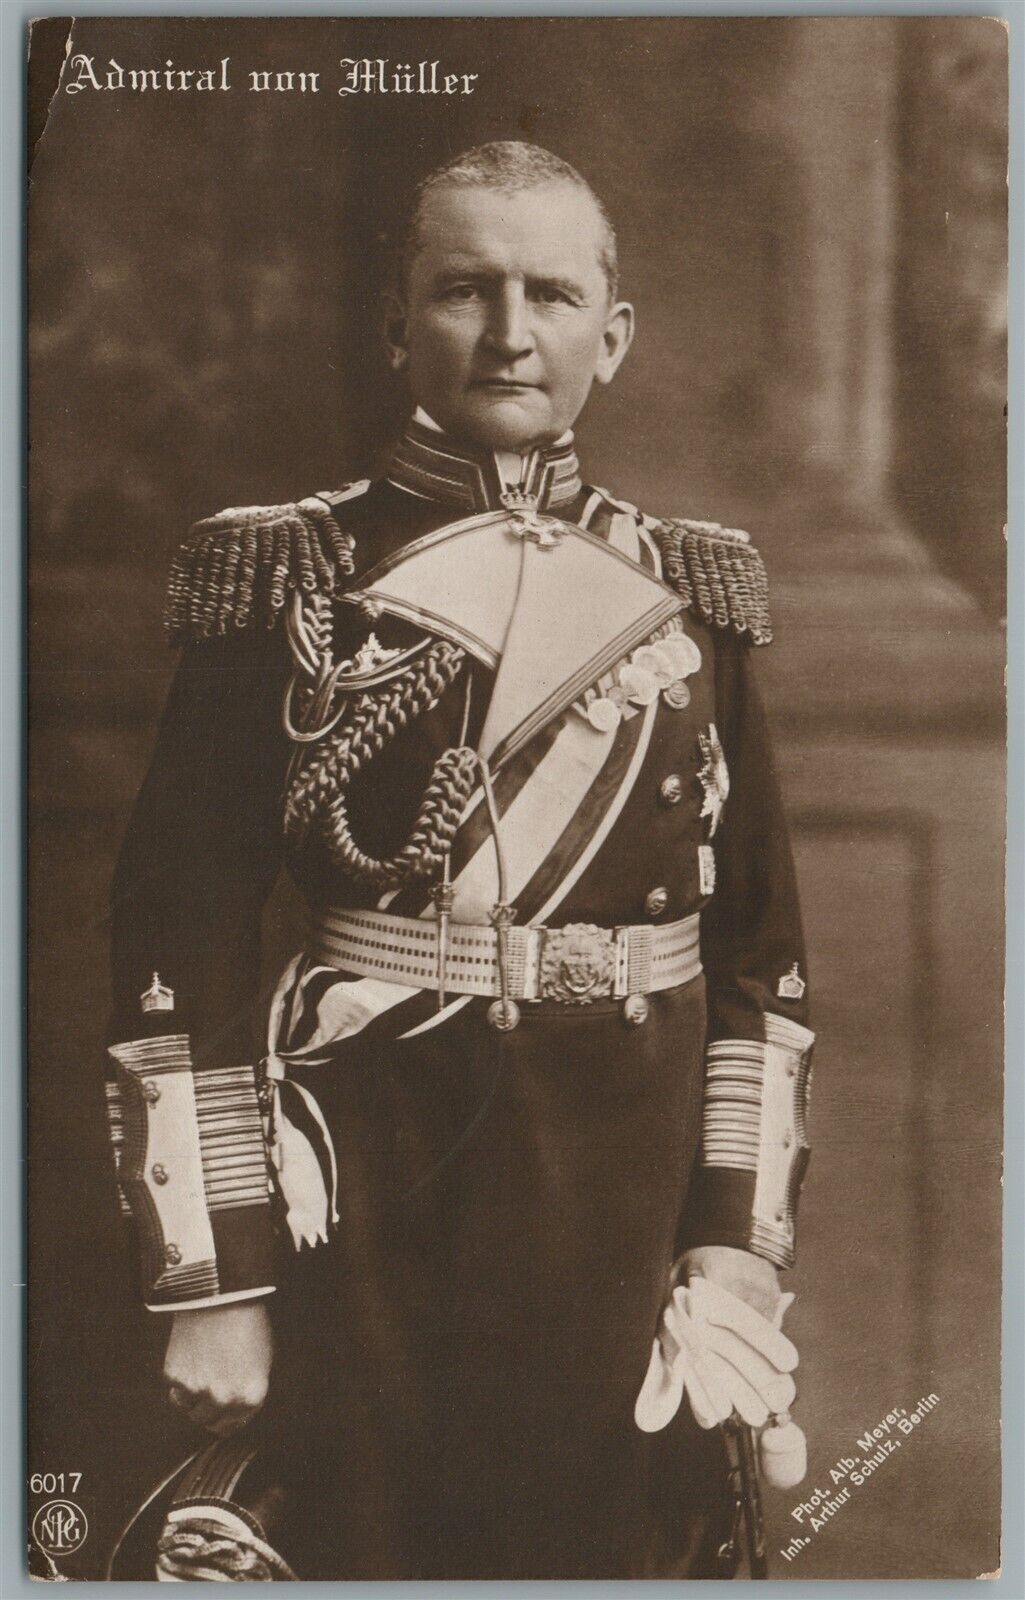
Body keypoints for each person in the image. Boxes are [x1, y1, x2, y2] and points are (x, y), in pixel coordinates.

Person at [103, 141, 815, 1581]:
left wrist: (738, 1240)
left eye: (550, 295)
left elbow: (764, 962)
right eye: (462, 291)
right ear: (395, 327)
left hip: (629, 1209)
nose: (508, 333)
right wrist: (215, 1276)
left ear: (613, 336)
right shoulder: (290, 577)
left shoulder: (688, 591)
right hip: (374, 1189)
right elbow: (175, 945)